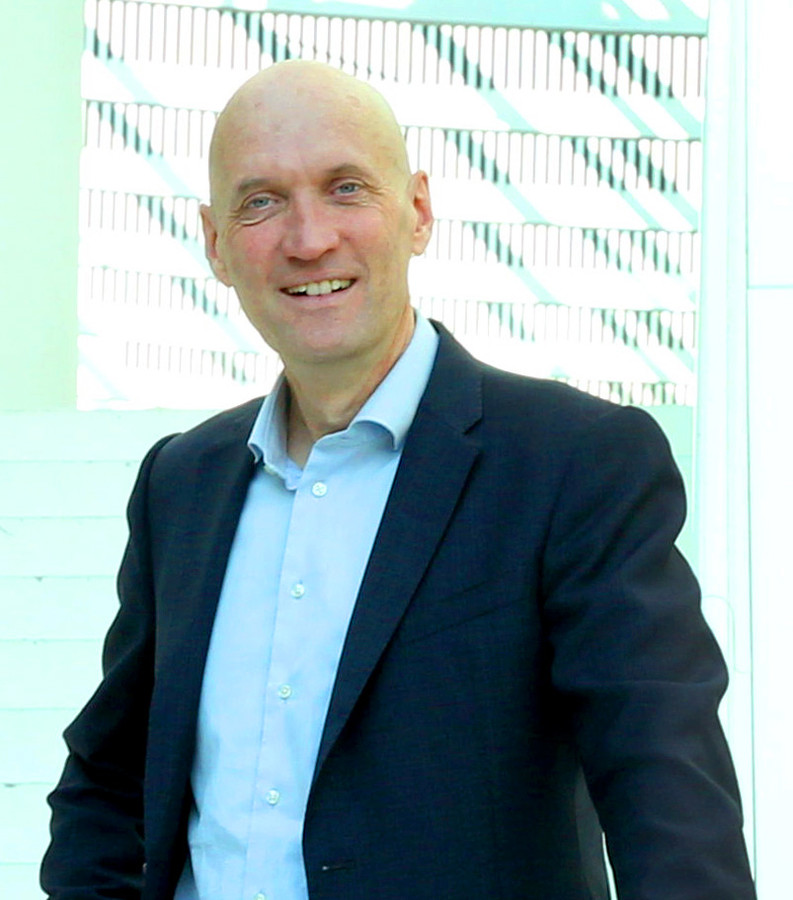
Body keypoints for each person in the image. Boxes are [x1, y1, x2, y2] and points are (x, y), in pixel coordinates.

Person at [41, 60, 756, 900]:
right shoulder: (181, 484)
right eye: (261, 201)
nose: (309, 239)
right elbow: (109, 777)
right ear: (215, 244)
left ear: (418, 211)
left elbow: (666, 793)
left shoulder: (573, 462)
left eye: (345, 188)